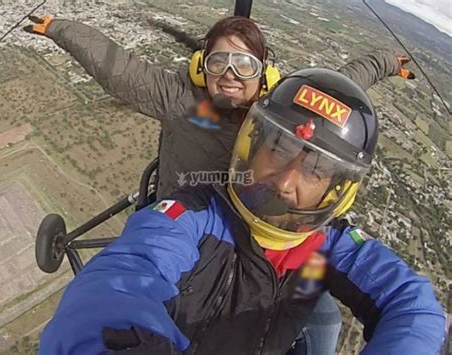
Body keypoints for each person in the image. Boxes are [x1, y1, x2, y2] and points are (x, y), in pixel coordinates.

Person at [25, 14, 415, 355]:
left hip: (269, 234)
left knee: (323, 322)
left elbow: (341, 86)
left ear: (264, 72)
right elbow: (119, 69)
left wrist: (385, 62)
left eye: (244, 64)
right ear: (201, 68)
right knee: (173, 302)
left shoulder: (282, 112)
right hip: (194, 221)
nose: (230, 75)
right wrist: (61, 29)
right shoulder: (183, 103)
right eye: (219, 62)